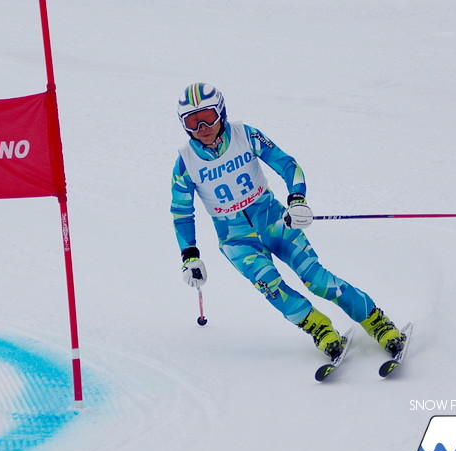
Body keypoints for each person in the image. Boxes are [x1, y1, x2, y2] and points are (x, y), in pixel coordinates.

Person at [170, 82, 406, 360]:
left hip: (274, 221)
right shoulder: (186, 162)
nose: (202, 128)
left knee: (316, 280)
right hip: (236, 240)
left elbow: (287, 164)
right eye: (192, 121)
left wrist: (297, 200)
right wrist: (190, 256)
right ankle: (320, 329)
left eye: (207, 117)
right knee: (271, 287)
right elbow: (182, 211)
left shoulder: (245, 135)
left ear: (221, 112)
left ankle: (375, 321)